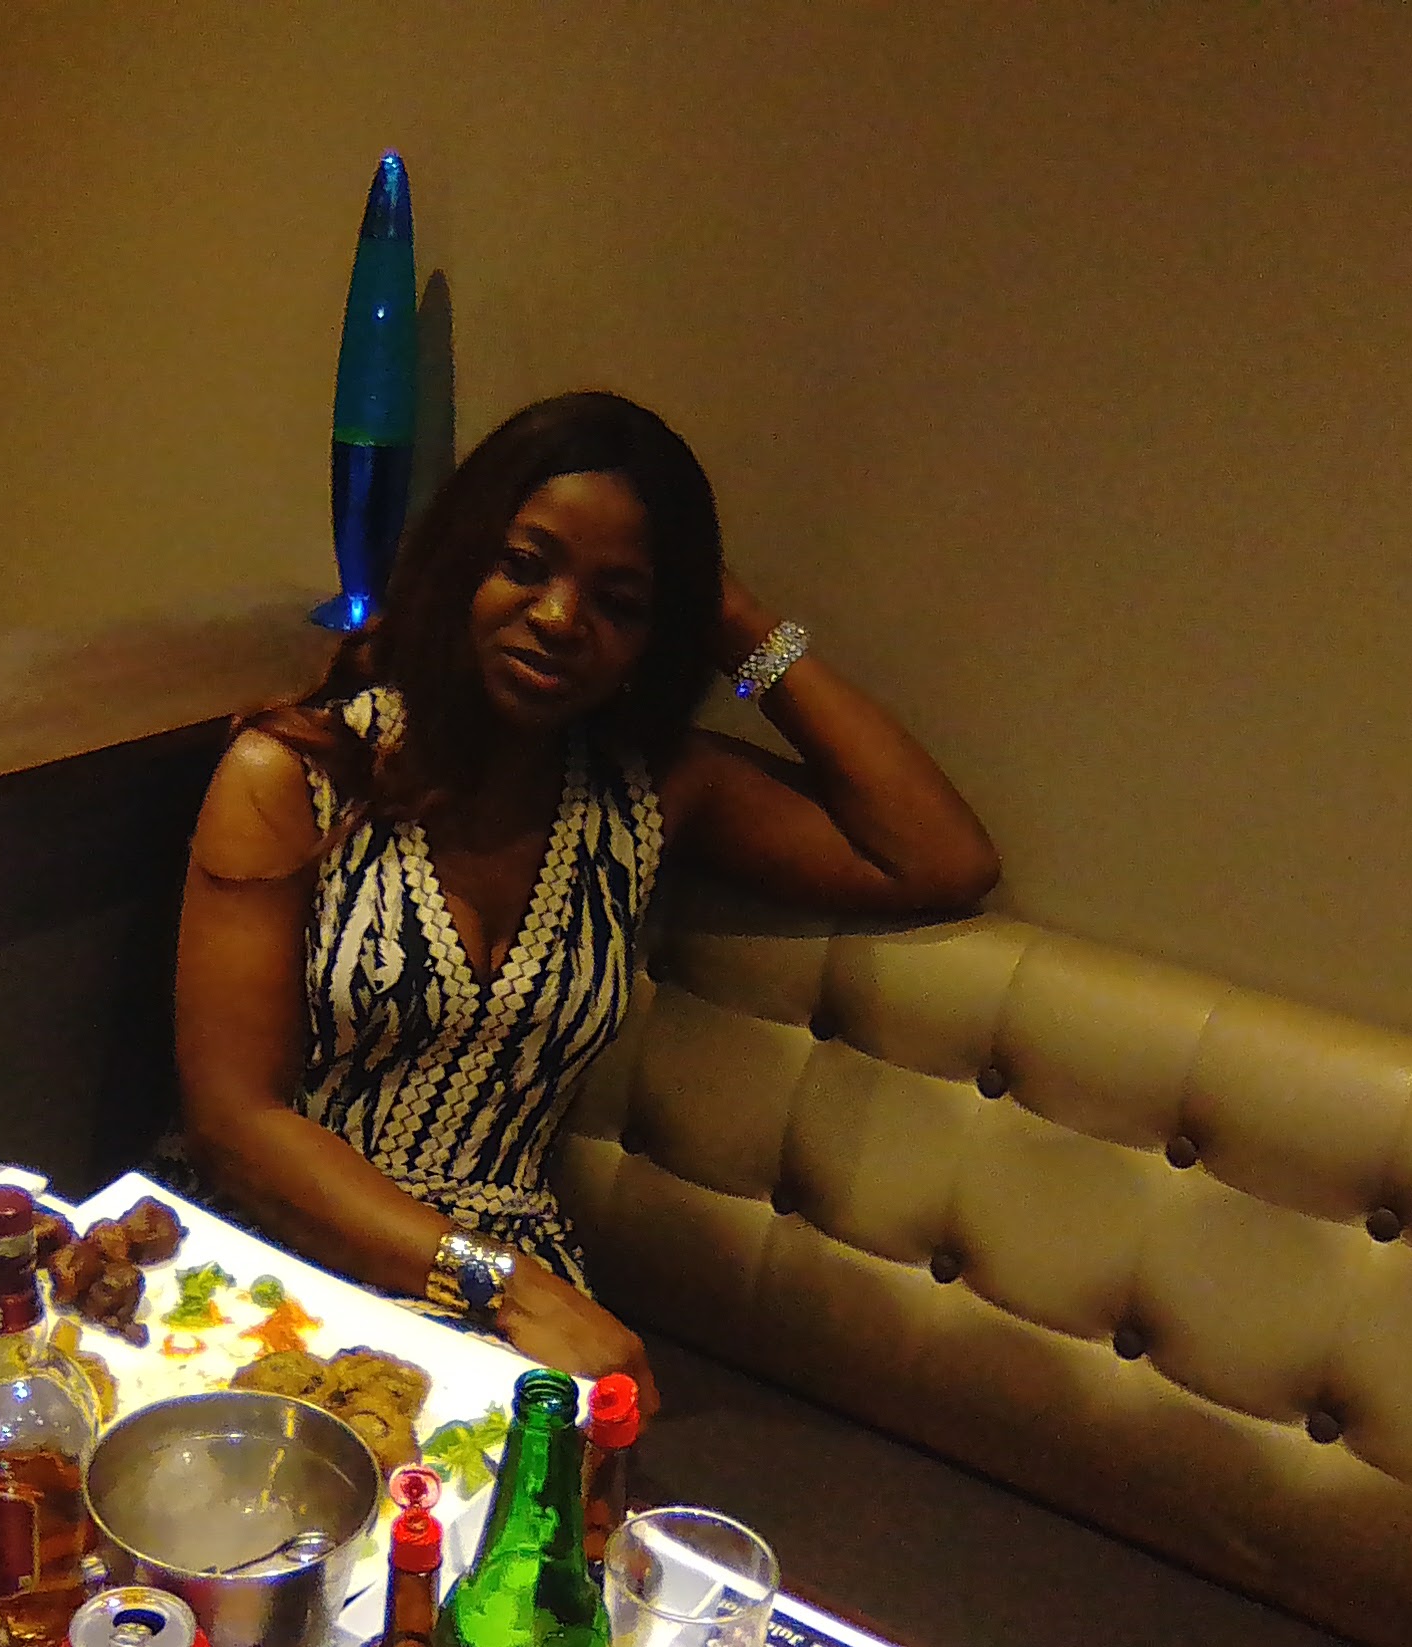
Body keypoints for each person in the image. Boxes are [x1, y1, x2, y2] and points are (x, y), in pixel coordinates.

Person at [175, 393, 998, 1408]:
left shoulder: (643, 791)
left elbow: (934, 856)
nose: (561, 618)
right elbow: (234, 1122)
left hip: (515, 1301)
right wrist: (501, 1286)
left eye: (620, 601)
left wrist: (737, 625)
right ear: (460, 559)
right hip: (283, 1252)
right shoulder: (297, 774)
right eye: (525, 565)